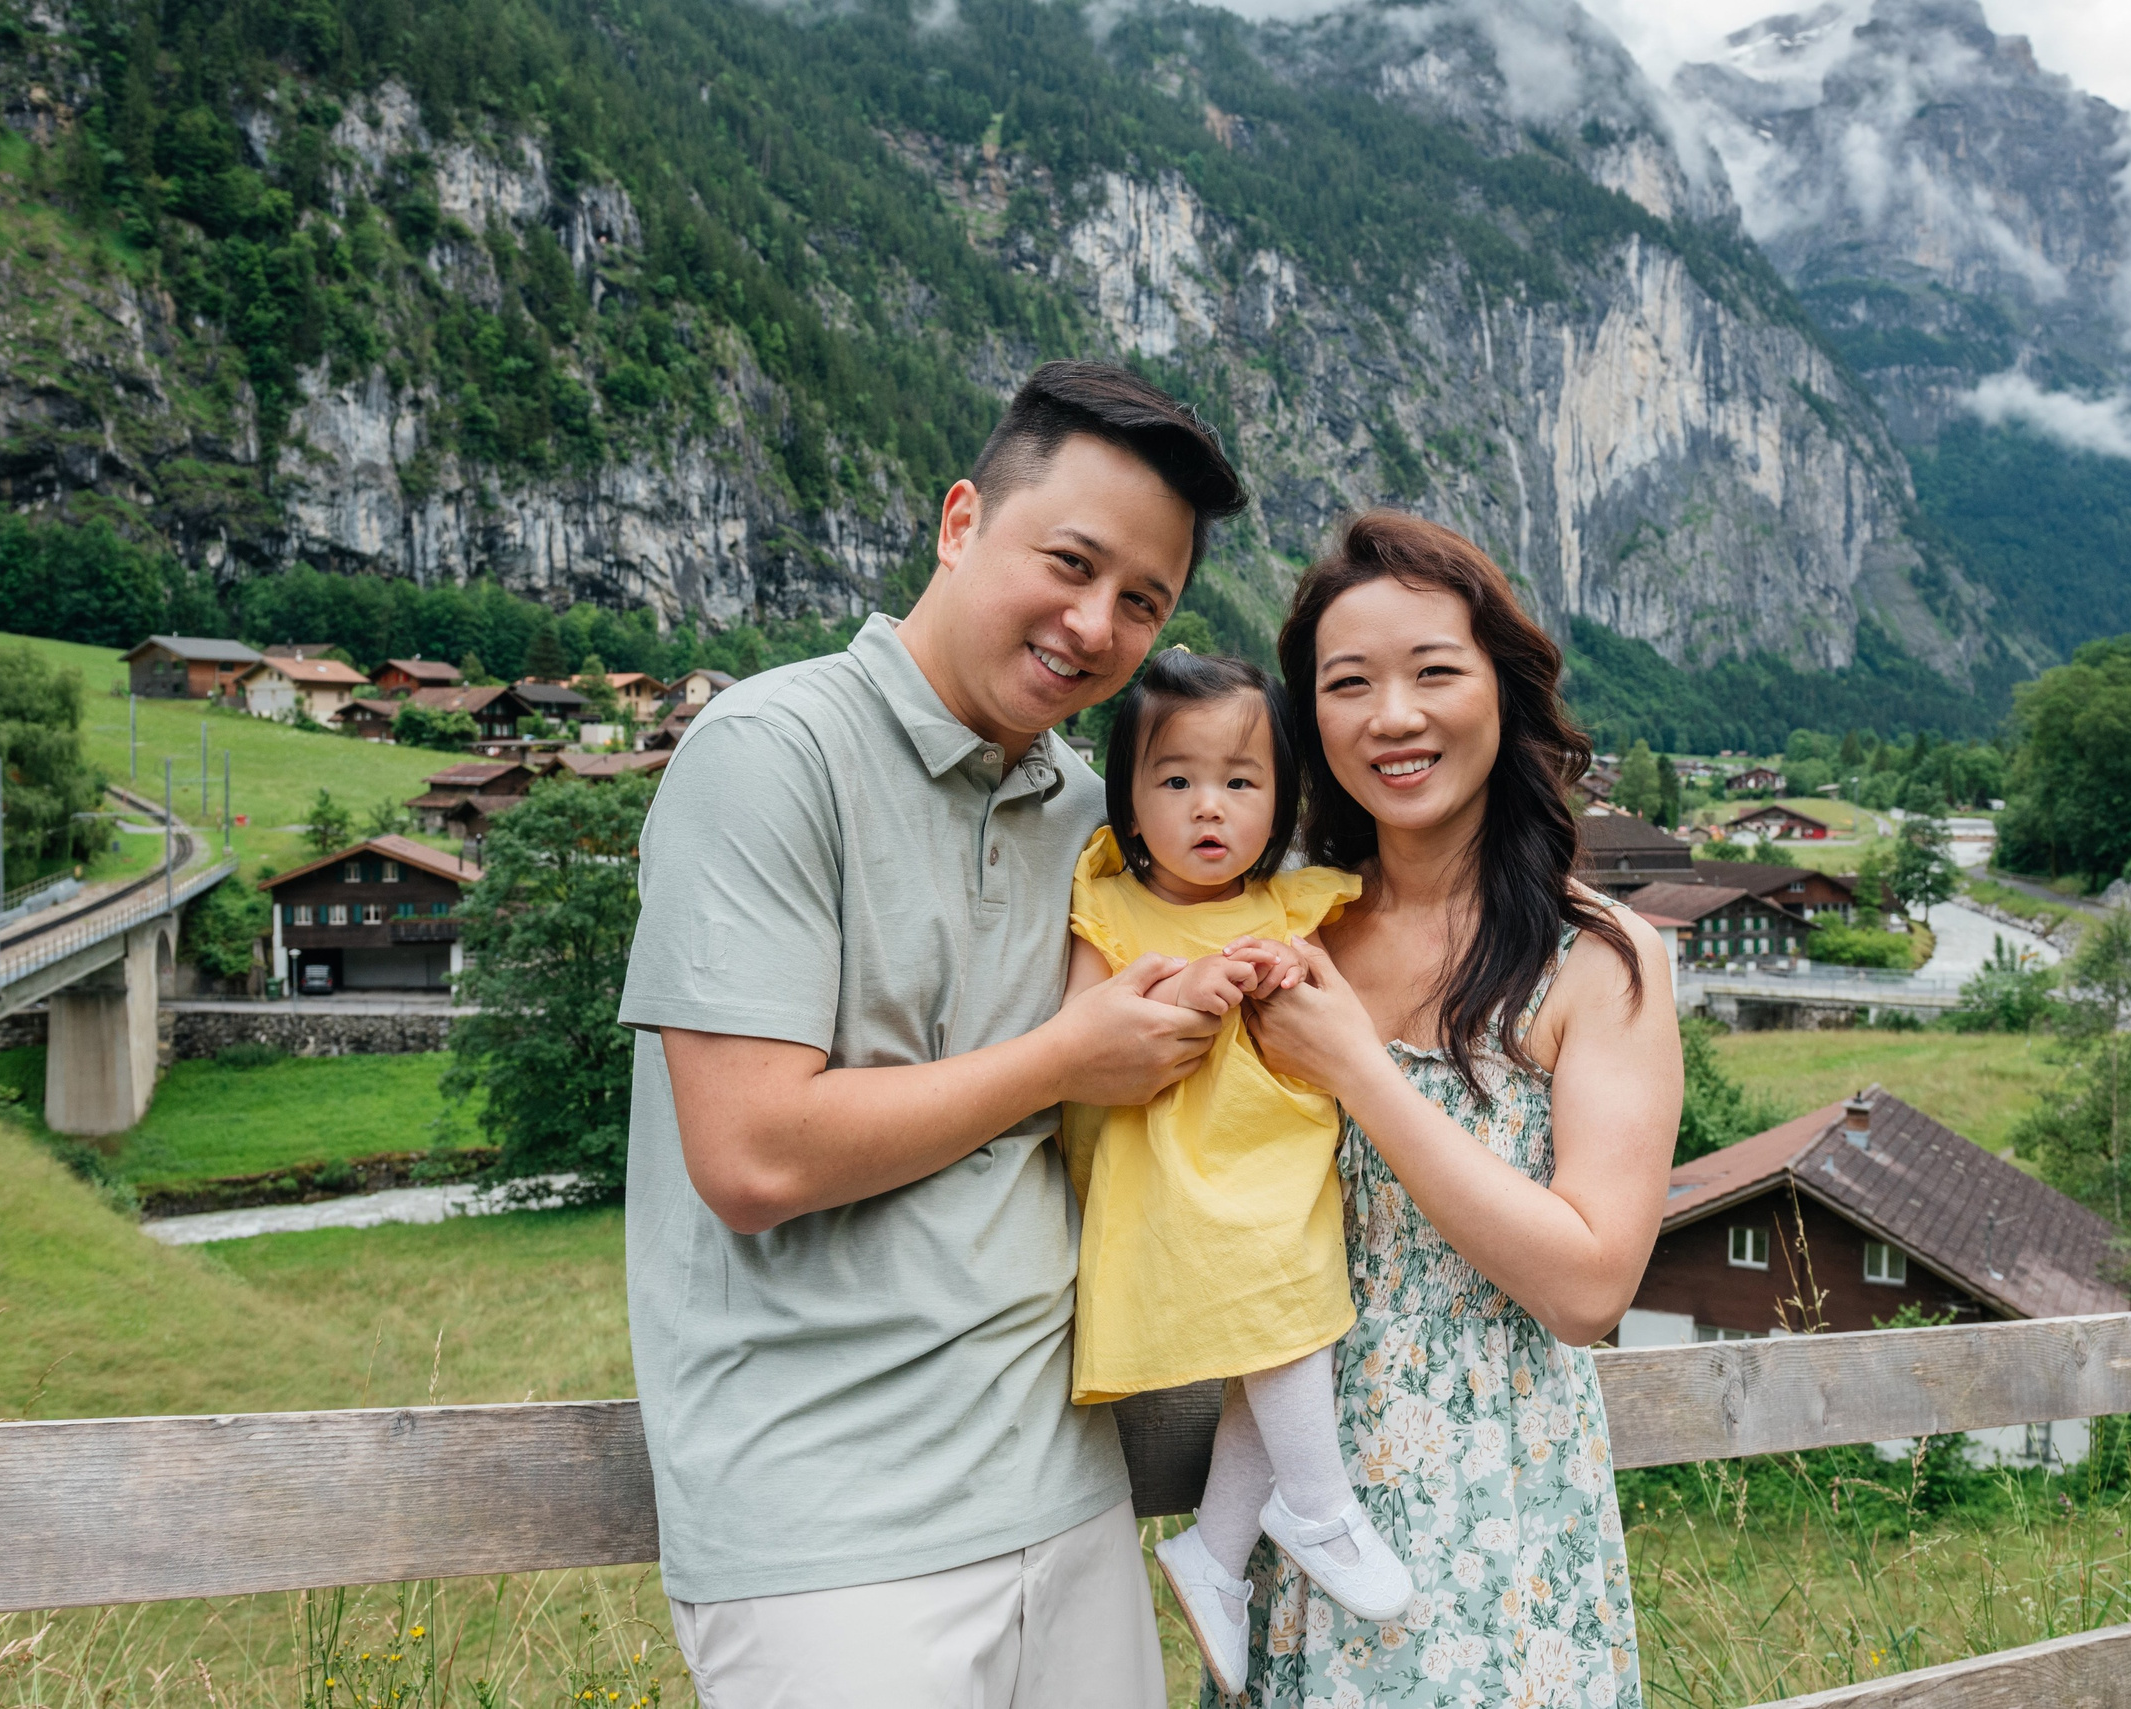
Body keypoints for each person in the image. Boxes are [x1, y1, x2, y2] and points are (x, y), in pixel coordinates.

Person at [616, 361, 1244, 1707]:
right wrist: (1065, 1060)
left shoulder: (1095, 815)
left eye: (1144, 600)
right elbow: (750, 1154)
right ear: (961, 522)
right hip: (824, 1533)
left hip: (1068, 1493)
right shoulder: (769, 751)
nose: (1094, 625)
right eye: (1069, 563)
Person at [1229, 510, 1683, 1707]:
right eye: (1349, 683)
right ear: (1307, 718)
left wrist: (1362, 1071)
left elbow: (1590, 1286)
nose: (1393, 716)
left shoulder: (1601, 960)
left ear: (1504, 689)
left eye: (1434, 670)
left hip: (1502, 1520)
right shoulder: (1284, 932)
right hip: (1303, 1496)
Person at [1057, 649, 1413, 1696]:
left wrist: (1291, 967)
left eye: (1240, 782)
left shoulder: (1294, 905)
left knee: (1280, 1338)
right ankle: (1315, 1502)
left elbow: (1344, 1020)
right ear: (1126, 795)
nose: (1208, 807)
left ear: (1280, 797)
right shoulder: (1113, 904)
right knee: (1280, 1319)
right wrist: (1195, 983)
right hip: (1178, 1177)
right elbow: (1075, 1040)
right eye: (1175, 781)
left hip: (1281, 1169)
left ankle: (1213, 1556)